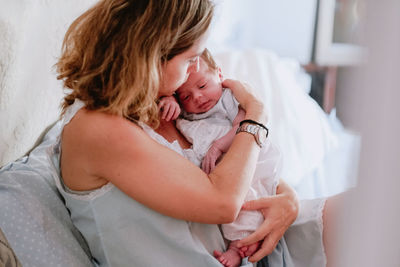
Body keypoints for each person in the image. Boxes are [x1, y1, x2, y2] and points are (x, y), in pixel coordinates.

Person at [54, 0, 336, 266]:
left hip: (260, 241)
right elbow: (224, 202)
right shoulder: (96, 129)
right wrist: (256, 113)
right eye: (190, 59)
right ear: (153, 55)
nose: (193, 70)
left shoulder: (161, 103)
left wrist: (288, 198)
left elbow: (236, 164)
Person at [158, 49, 282, 266]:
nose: (197, 97)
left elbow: (243, 127)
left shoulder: (229, 99)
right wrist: (172, 101)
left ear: (220, 75)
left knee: (249, 198)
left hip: (249, 152)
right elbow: (178, 112)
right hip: (227, 169)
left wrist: (217, 147)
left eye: (203, 86)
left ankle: (240, 246)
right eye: (186, 96)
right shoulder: (189, 111)